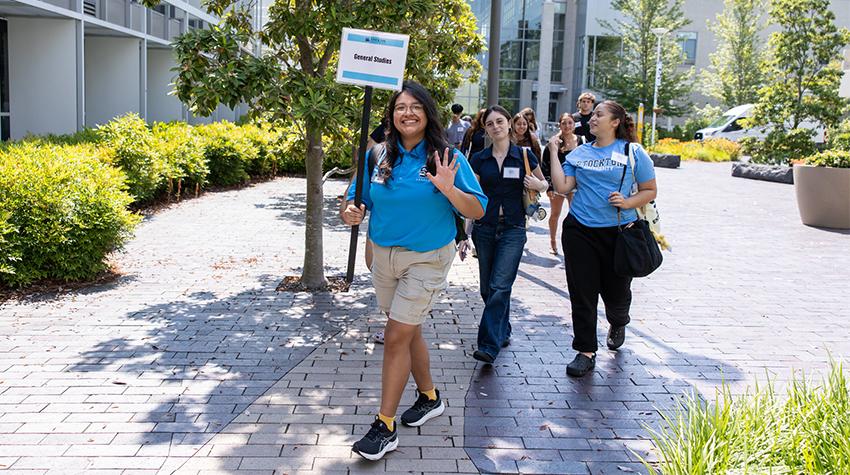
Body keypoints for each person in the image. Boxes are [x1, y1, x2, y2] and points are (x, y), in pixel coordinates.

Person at [341, 81, 487, 460]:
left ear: (428, 112)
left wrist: (450, 189)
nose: (407, 113)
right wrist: (351, 212)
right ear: (391, 115)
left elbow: (477, 210)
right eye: (400, 107)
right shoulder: (378, 156)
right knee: (408, 330)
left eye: (415, 106)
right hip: (384, 258)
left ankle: (384, 426)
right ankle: (429, 397)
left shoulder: (447, 156)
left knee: (395, 336)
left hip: (427, 258)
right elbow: (355, 202)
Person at [547, 100, 657, 378]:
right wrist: (551, 152)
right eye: (592, 114)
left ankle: (618, 320)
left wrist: (628, 201)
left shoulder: (633, 152)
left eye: (599, 114)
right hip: (580, 231)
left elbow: (650, 190)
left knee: (616, 294)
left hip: (618, 234)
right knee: (582, 293)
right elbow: (562, 187)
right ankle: (585, 351)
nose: (592, 119)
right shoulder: (579, 153)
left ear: (615, 122)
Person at [469, 105, 549, 364]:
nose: (496, 126)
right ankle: (502, 328)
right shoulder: (479, 159)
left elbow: (545, 183)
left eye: (499, 121)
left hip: (514, 228)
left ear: (509, 124)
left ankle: (488, 346)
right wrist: (463, 233)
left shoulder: (524, 155)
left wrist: (539, 185)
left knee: (500, 286)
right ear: (486, 130)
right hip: (484, 227)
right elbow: (471, 195)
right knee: (486, 289)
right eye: (490, 124)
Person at [541, 113, 585, 255]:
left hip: (575, 185)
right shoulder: (553, 143)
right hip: (558, 184)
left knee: (577, 214)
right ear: (559, 125)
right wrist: (549, 186)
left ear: (574, 124)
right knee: (555, 214)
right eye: (564, 123)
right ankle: (553, 241)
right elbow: (545, 165)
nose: (567, 126)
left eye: (570, 123)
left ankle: (577, 242)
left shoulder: (581, 141)